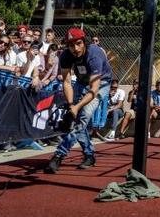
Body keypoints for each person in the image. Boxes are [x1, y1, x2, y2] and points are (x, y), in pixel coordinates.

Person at [45, 28, 113, 173]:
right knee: (76, 119)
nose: (75, 48)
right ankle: (89, 155)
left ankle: (59, 155)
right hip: (81, 83)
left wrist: (77, 108)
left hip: (101, 85)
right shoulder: (65, 56)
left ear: (84, 42)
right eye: (71, 45)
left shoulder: (94, 55)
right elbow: (67, 82)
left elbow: (94, 89)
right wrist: (71, 106)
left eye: (78, 43)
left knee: (82, 117)